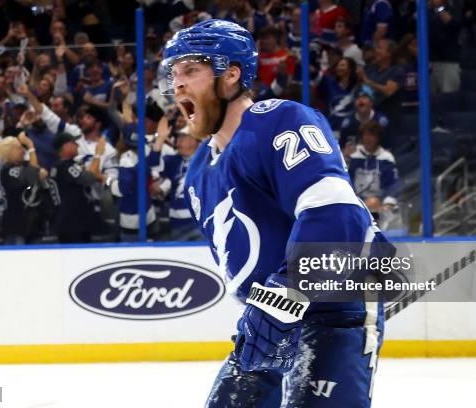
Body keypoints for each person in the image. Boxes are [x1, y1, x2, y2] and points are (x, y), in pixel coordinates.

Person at [159, 19, 387, 407]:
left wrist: (287, 292)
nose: (177, 84)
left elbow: (337, 214)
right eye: (174, 73)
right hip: (267, 324)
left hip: (332, 311)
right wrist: (267, 310)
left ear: (231, 75)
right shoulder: (197, 174)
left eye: (191, 70)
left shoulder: (277, 120)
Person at [0, 132, 49, 245]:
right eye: (19, 148)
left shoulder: (25, 165)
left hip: (35, 225)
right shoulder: (7, 170)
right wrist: (31, 146)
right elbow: (32, 175)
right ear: (8, 152)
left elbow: (40, 172)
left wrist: (37, 171)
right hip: (16, 226)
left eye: (23, 147)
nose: (23, 151)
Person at [48, 132, 102, 244]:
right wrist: (97, 154)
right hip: (73, 224)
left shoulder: (56, 166)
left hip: (65, 220)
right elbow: (89, 179)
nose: (77, 145)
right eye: (74, 143)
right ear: (65, 146)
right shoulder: (66, 167)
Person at [348, 121, 399, 211]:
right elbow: (347, 182)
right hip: (356, 203)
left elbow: (393, 184)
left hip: (381, 204)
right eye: (365, 135)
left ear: (378, 138)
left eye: (371, 135)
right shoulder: (353, 156)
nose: (367, 139)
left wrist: (387, 202)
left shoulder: (386, 158)